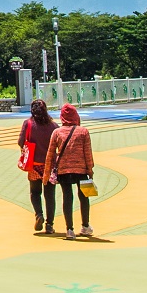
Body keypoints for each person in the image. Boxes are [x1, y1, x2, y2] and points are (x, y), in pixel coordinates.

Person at [44, 102, 96, 239]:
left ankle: (69, 230)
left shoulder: (57, 132)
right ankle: (85, 226)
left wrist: (46, 174)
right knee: (84, 196)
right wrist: (90, 169)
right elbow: (88, 153)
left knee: (67, 197)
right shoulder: (83, 131)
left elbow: (50, 154)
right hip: (82, 169)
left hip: (63, 170)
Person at [18, 99, 59, 233]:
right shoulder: (53, 126)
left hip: (33, 164)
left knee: (35, 192)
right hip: (49, 165)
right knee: (50, 194)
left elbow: (20, 141)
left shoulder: (28, 124)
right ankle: (50, 224)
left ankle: (39, 215)